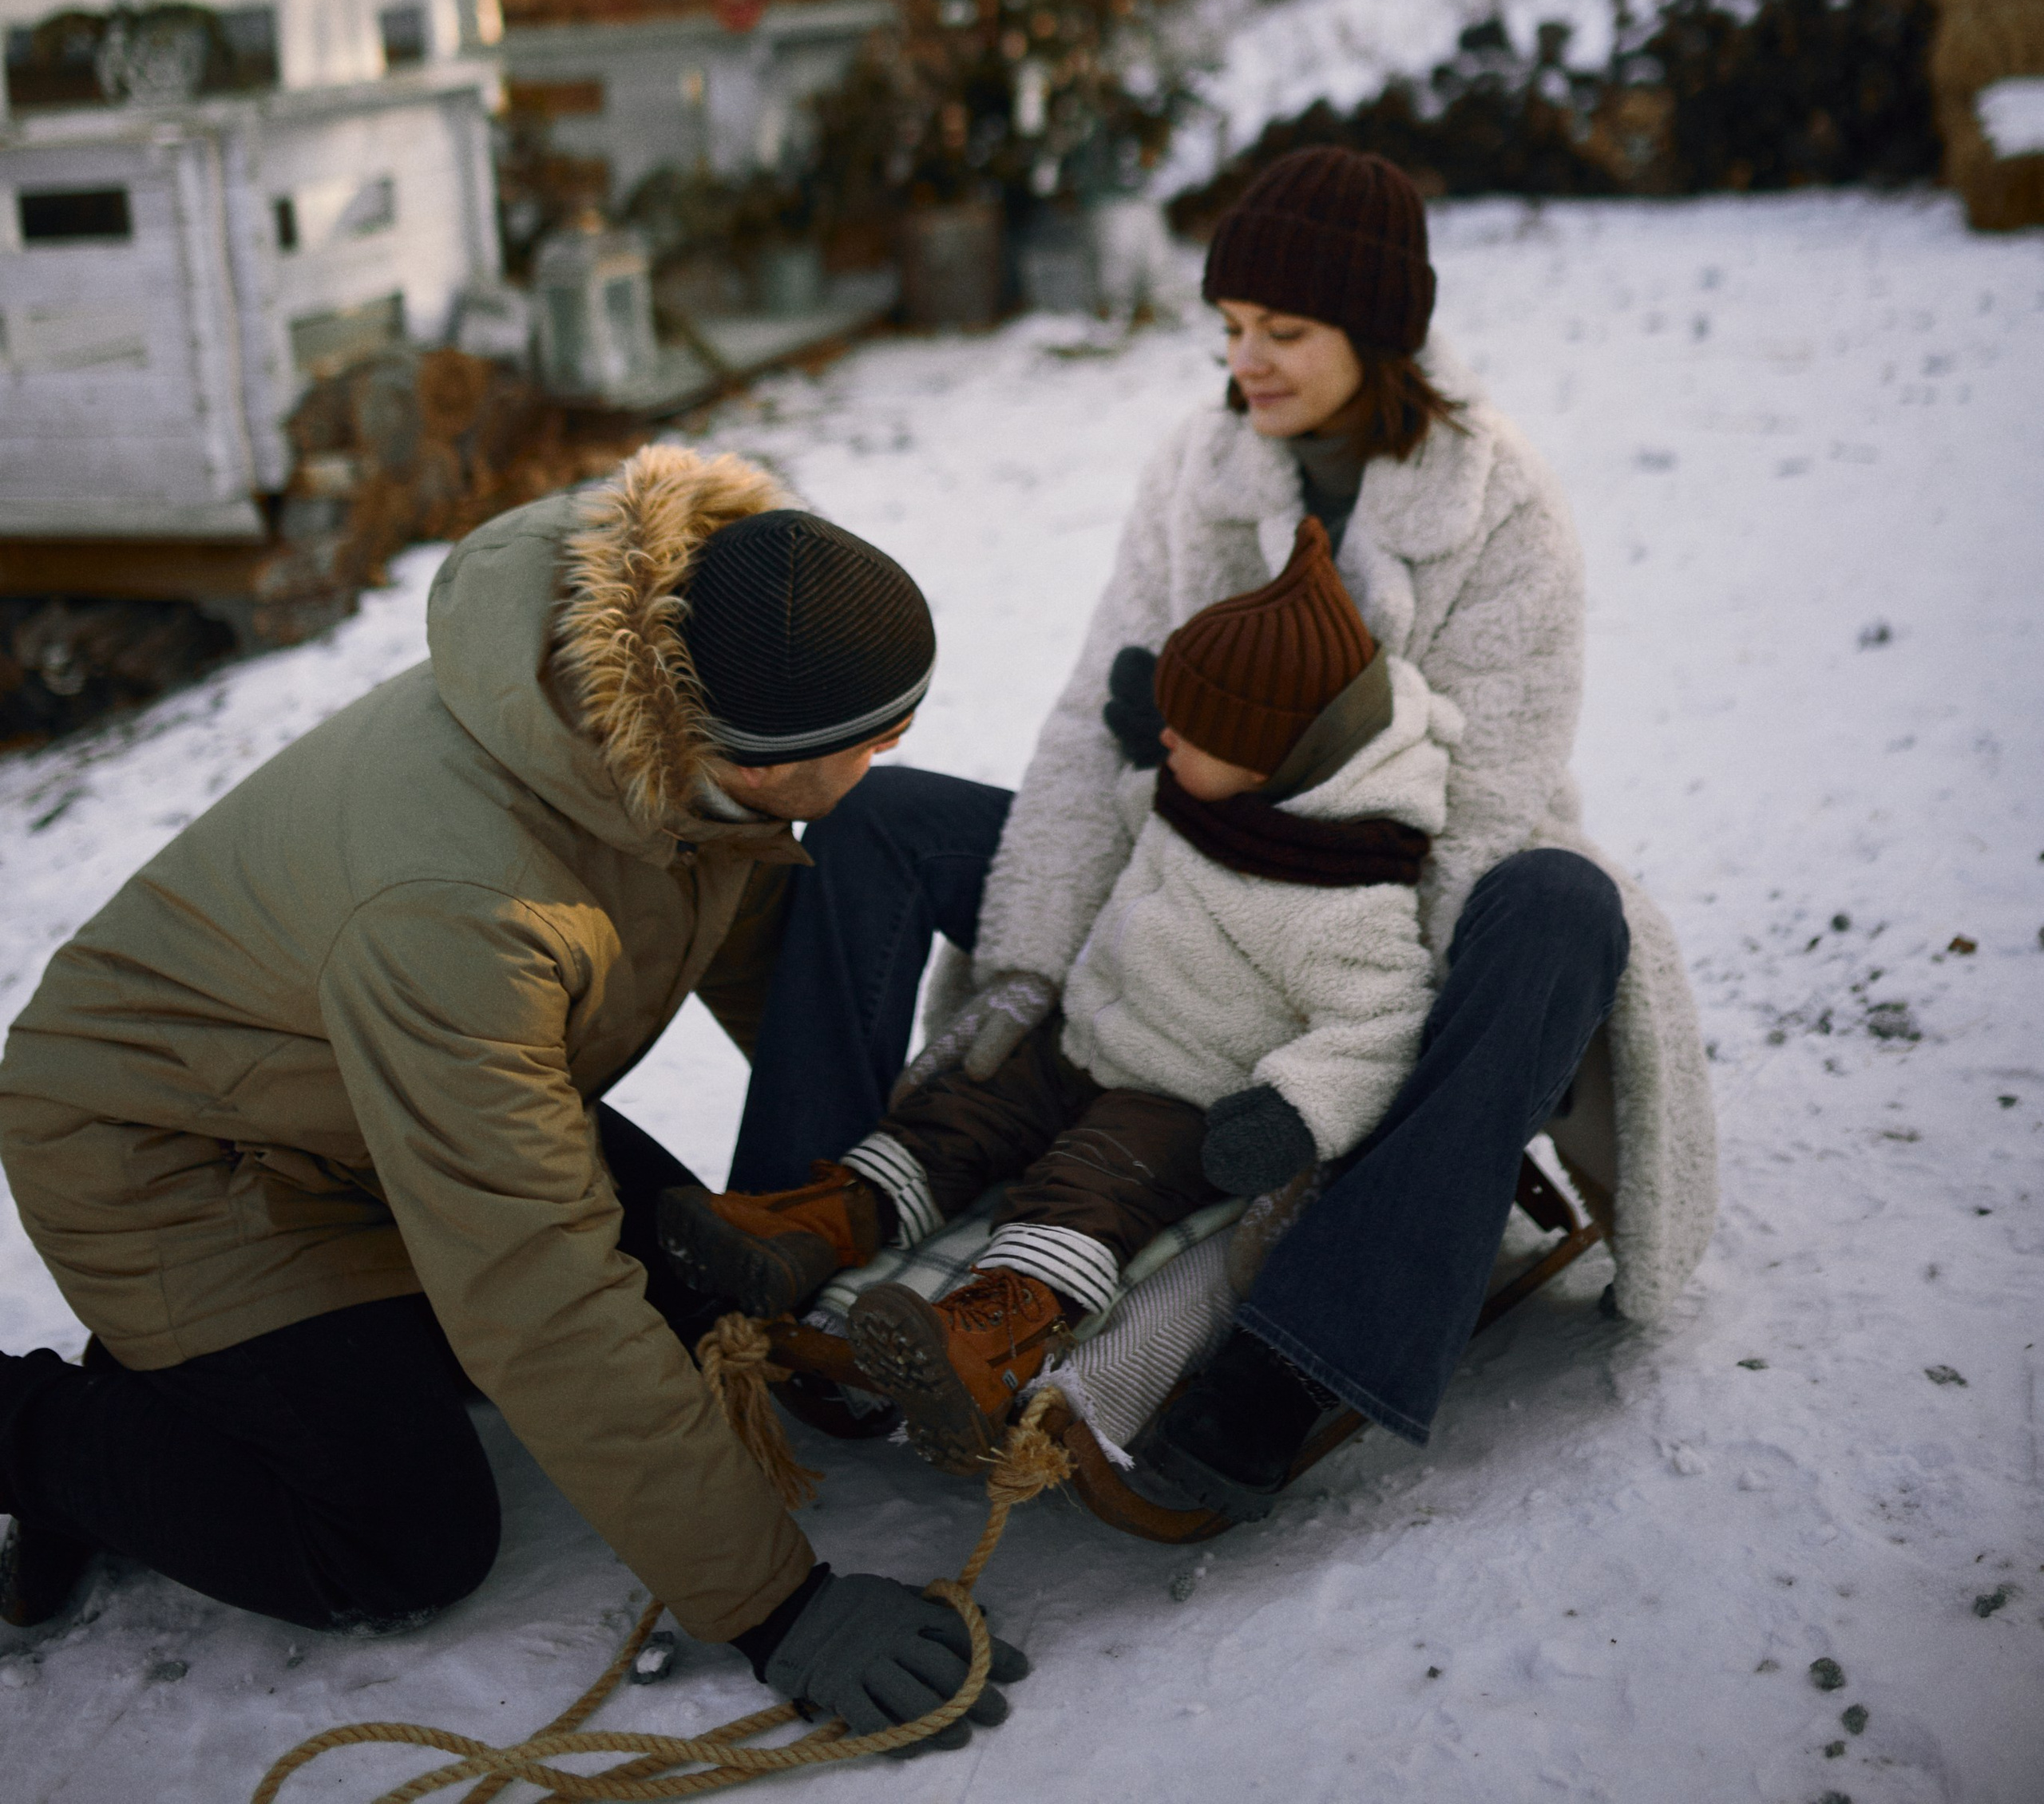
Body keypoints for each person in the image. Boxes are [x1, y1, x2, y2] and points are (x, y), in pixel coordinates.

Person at [0, 449, 1024, 1747]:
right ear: (755, 762)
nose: (892, 758)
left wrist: (892, 1186)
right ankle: (45, 1435)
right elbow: (536, 1293)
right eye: (875, 739)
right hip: (179, 1151)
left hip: (385, 1099)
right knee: (398, 1541)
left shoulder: (668, 692)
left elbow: (768, 954)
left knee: (714, 1298)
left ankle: (215, 1373)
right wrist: (778, 1607)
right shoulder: (464, 905)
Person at [907, 145, 1720, 1518]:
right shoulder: (1199, 468)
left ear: (1379, 332)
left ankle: (1295, 1364)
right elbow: (1078, 725)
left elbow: (1481, 808)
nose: (1248, 363)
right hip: (1181, 890)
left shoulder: (1501, 504)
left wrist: (1349, 1067)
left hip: (1404, 916)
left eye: (1285, 332)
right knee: (872, 815)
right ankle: (800, 1236)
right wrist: (1031, 966)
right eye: (1230, 330)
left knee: (1563, 906)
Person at [665, 514, 1460, 1472]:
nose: (1166, 738)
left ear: (1266, 758)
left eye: (1188, 727)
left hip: (1180, 1099)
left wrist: (1290, 1115)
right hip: (1083, 1038)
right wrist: (1148, 741)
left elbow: (1378, 1025)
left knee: (1089, 1187)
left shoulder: (1346, 896)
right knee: (954, 1114)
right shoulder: (1197, 789)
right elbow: (1125, 818)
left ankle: (994, 1329)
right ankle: (821, 1226)